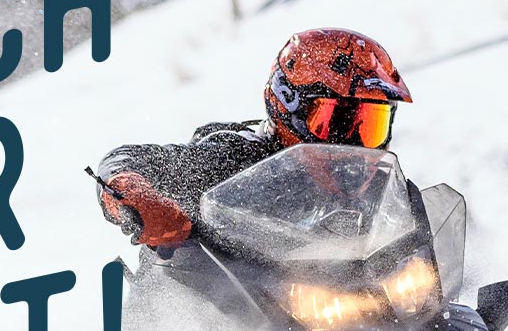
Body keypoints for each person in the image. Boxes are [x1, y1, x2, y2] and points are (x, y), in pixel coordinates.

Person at [93, 28, 412, 249]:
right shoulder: (231, 155)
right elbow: (126, 158)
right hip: (219, 312)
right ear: (289, 104)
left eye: (371, 126)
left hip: (335, 315)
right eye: (337, 122)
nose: (352, 143)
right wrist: (135, 195)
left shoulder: (374, 187)